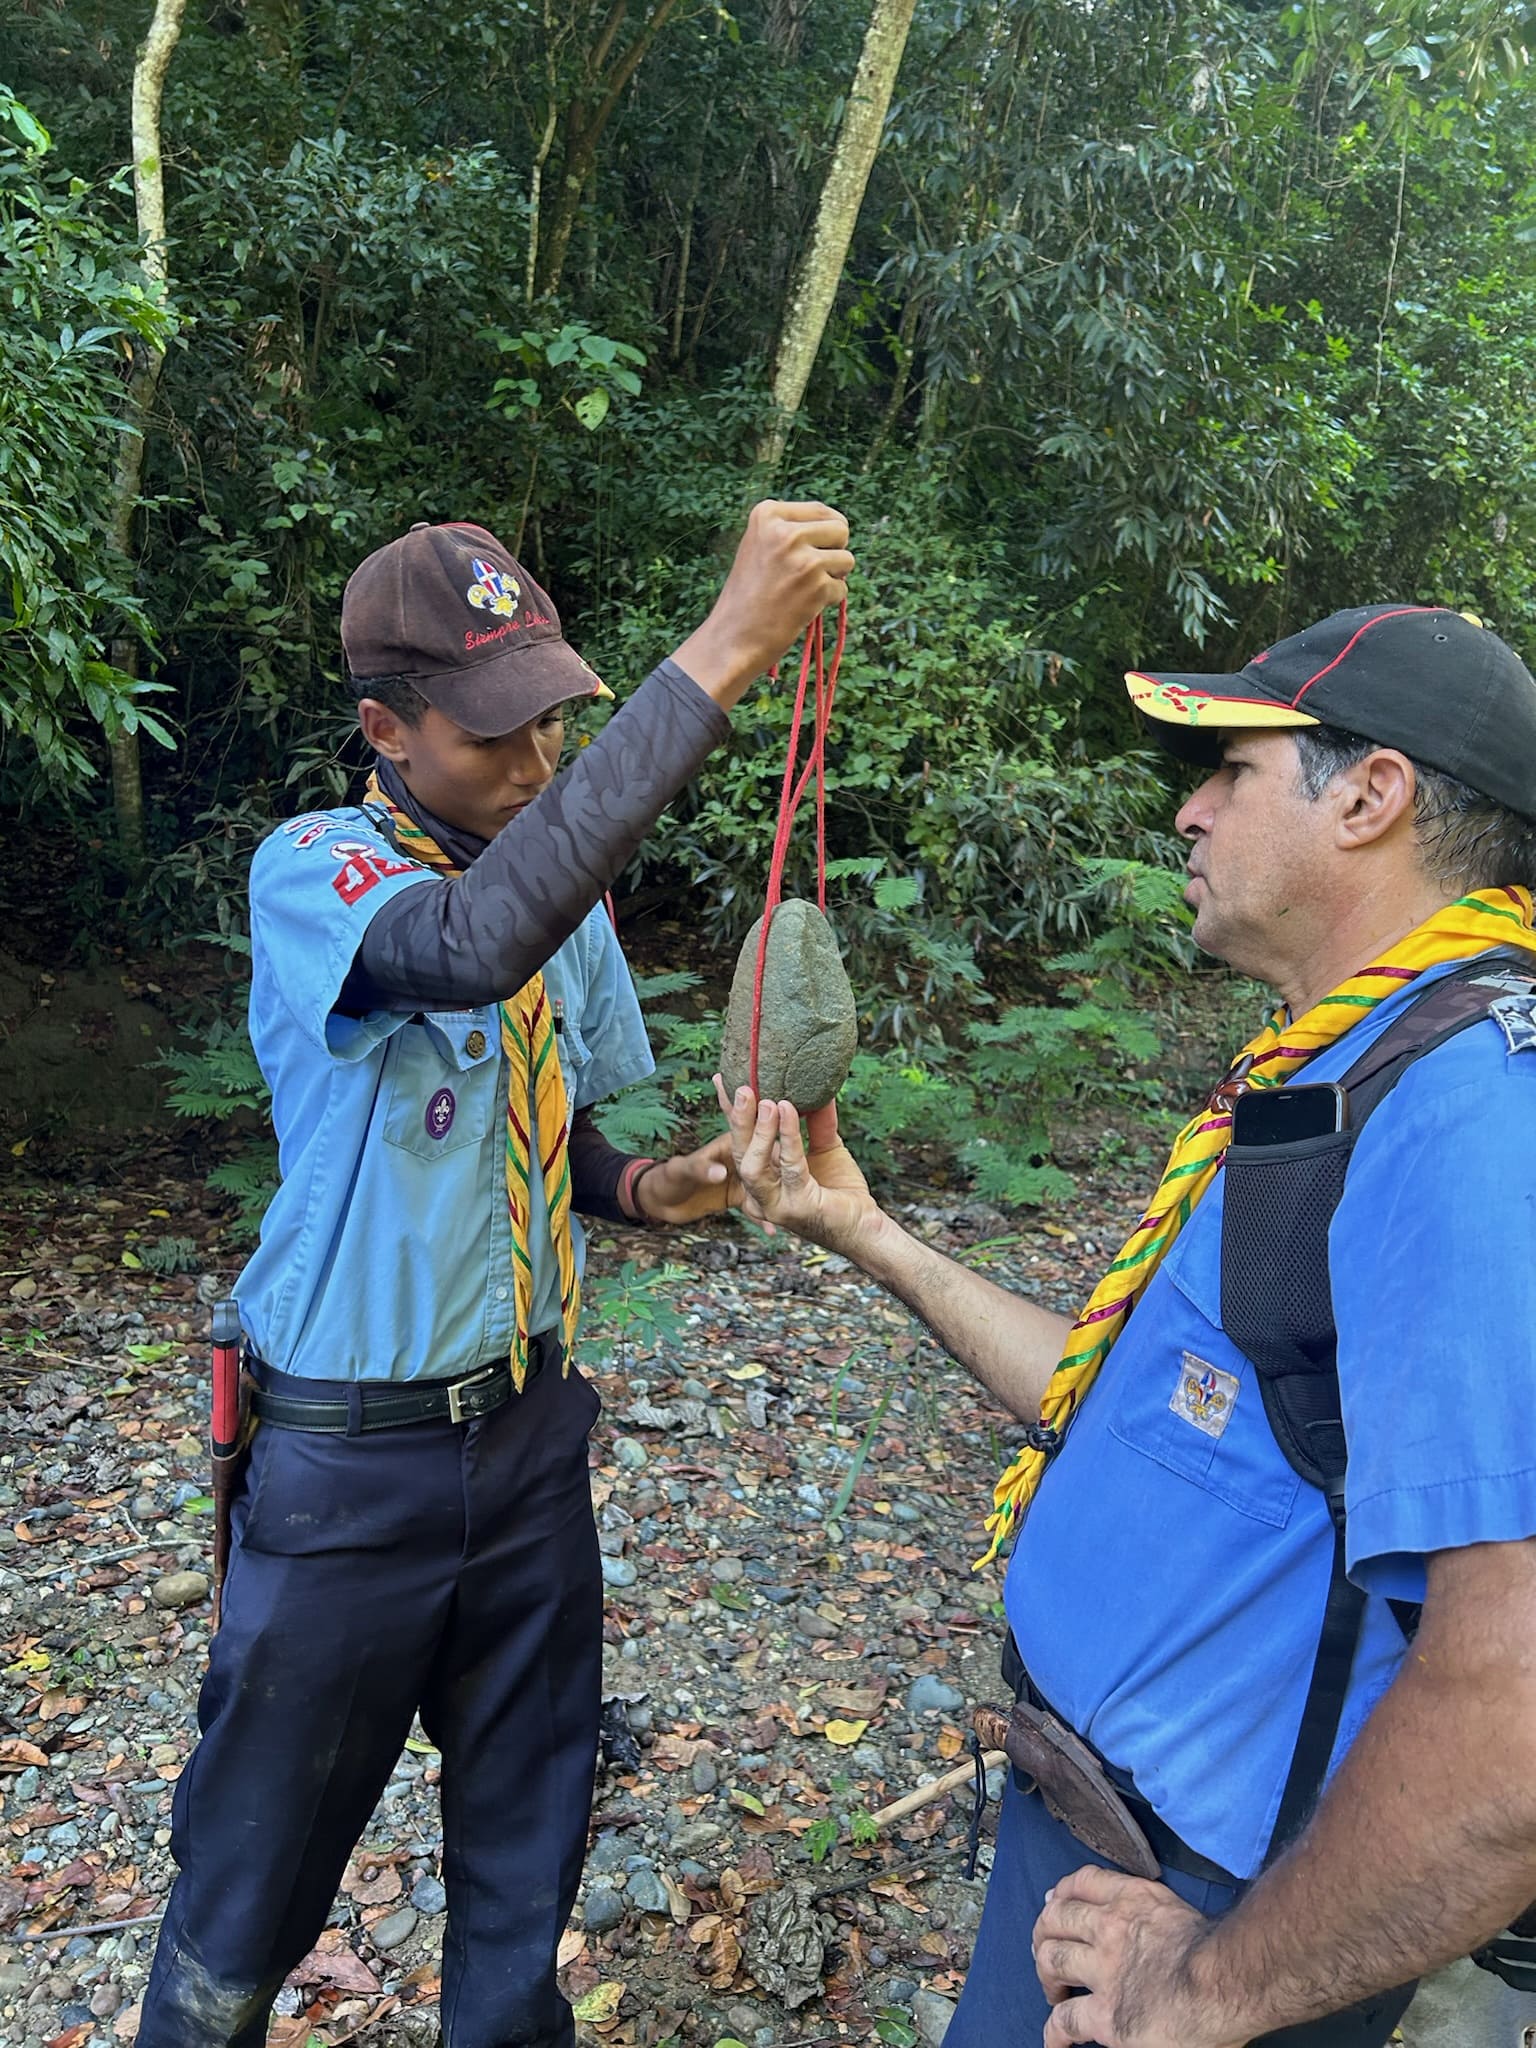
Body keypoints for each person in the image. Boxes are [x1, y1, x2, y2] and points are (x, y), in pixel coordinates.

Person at [718, 604, 1536, 2048]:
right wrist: (861, 1224)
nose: (1190, 805)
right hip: (1113, 1851)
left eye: (1230, 765)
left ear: (1370, 793)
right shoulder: (1346, 1066)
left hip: (1240, 1916)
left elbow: (1514, 1716)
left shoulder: (1473, 1110)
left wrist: (1211, 1990)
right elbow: (1151, 1421)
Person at [136, 501, 854, 2048]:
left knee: (525, 1873)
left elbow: (563, 1136)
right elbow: (463, 949)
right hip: (346, 1471)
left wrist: (663, 1188)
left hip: (530, 1446)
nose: (533, 772)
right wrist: (726, 652)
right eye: (494, 739)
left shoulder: (558, 902)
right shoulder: (317, 870)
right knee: (242, 1898)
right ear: (386, 727)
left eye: (552, 732)